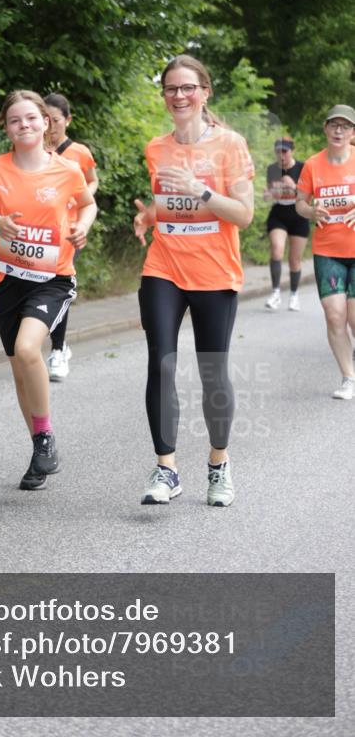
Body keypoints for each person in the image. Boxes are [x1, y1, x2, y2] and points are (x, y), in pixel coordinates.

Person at [133, 55, 254, 507]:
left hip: (215, 272)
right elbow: (166, 205)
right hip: (163, 267)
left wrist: (200, 189)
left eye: (187, 88)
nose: (179, 96)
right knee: (159, 363)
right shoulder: (155, 147)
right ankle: (167, 469)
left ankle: (218, 464)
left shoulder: (230, 145)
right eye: (171, 89)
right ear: (164, 97)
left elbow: (243, 215)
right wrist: (150, 214)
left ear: (205, 92)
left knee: (212, 372)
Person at [0, 90, 97, 490]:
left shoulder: (68, 170)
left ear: (46, 122)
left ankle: (44, 437)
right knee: (20, 369)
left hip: (53, 279)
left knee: (28, 350)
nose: (24, 125)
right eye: (14, 120)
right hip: (10, 280)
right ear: (5, 128)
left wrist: (83, 226)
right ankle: (40, 451)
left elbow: (87, 203)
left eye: (31, 119)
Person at [295, 104, 355, 400]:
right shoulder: (312, 165)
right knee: (334, 316)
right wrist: (310, 210)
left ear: (353, 133)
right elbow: (300, 203)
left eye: (345, 126)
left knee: (354, 318)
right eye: (334, 125)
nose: (339, 130)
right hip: (327, 251)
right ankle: (348, 377)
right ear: (326, 129)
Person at [43, 93, 99, 382]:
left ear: (67, 120)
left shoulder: (79, 152)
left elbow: (92, 179)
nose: (50, 126)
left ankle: (57, 350)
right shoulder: (32, 149)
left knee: (57, 283)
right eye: (46, 119)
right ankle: (54, 343)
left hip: (70, 230)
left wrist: (85, 204)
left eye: (55, 120)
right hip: (38, 231)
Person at [262, 136, 309, 311]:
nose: (281, 155)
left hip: (298, 214)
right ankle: (275, 293)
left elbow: (308, 196)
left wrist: (294, 187)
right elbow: (269, 193)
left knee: (294, 260)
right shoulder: (272, 169)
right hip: (279, 213)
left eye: (285, 151)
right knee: (276, 248)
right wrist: (268, 194)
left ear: (292, 151)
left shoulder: (302, 168)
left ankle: (294, 295)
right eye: (278, 151)